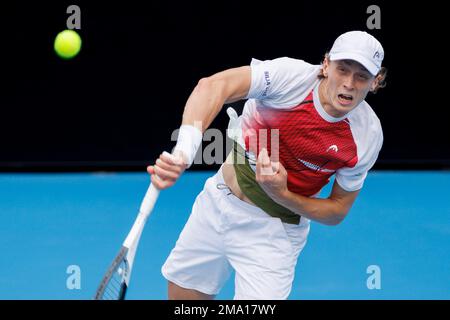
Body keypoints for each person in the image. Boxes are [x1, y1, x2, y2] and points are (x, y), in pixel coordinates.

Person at [147, 30, 387, 300]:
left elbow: (337, 211)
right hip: (217, 202)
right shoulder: (291, 77)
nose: (349, 83)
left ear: (375, 82)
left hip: (275, 232)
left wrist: (282, 194)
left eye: (362, 76)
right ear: (326, 65)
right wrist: (184, 151)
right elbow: (213, 86)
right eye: (343, 69)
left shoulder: (365, 136)